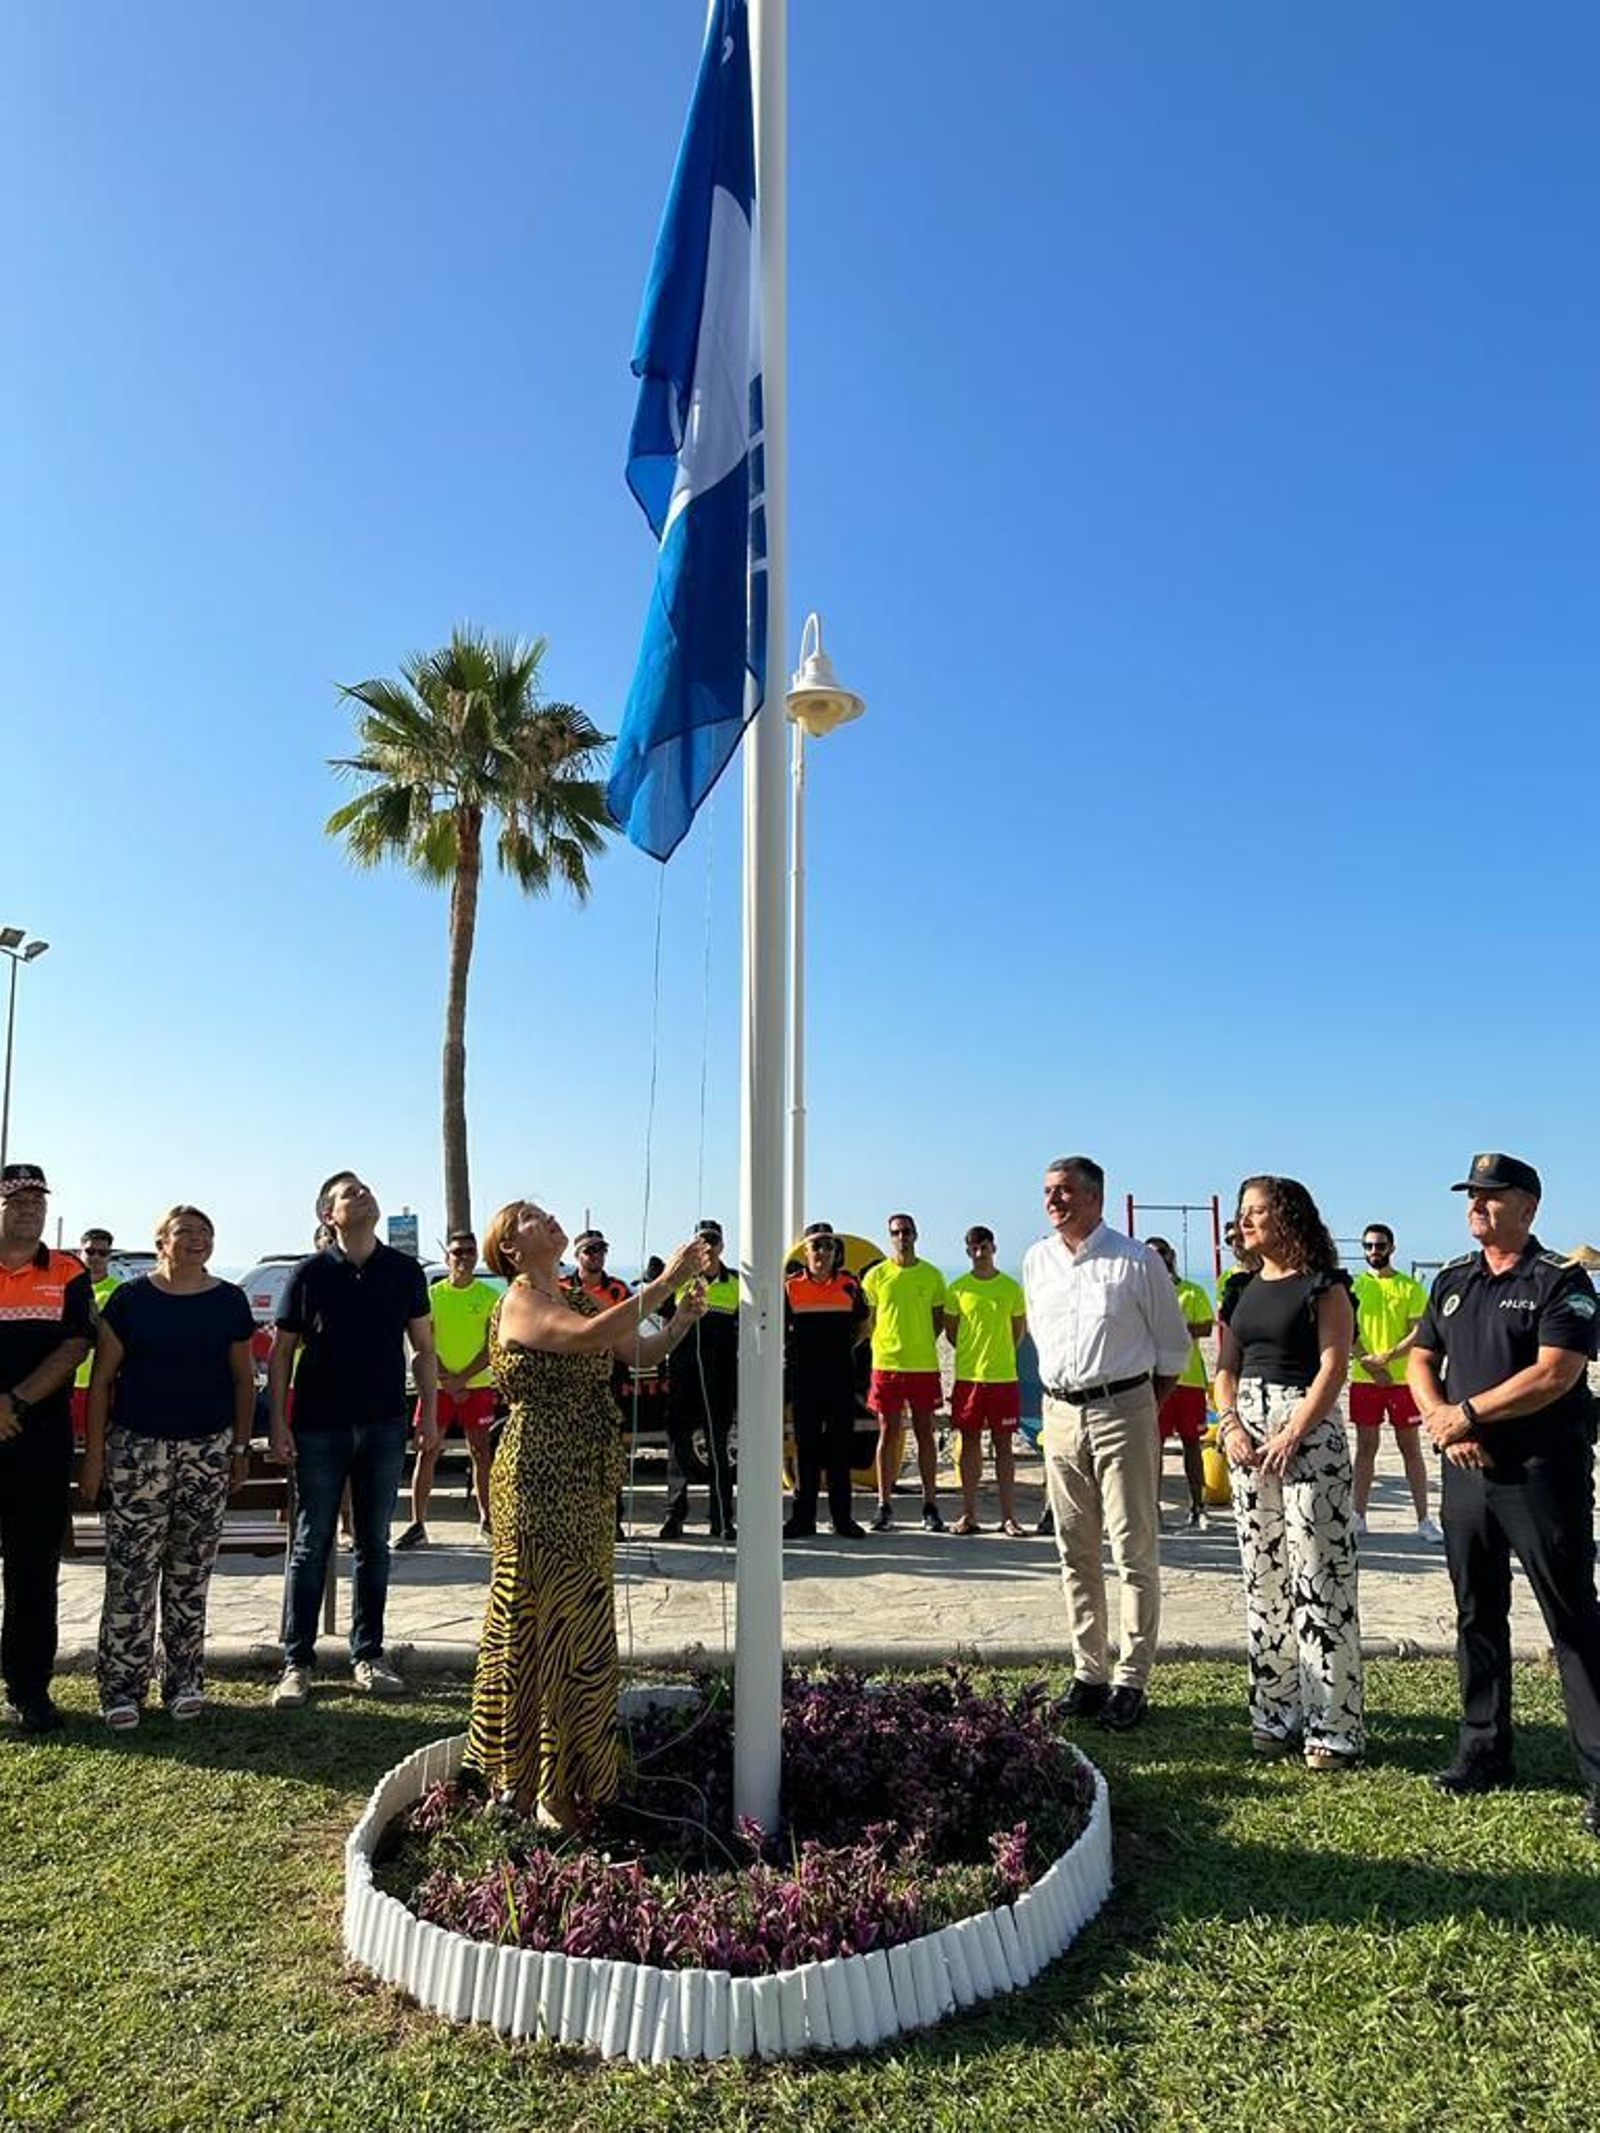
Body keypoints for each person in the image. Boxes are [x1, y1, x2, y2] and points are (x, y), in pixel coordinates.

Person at [464, 1200, 707, 1826]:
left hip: (587, 1484)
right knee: (536, 1633)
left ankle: (563, 1784)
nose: (547, 1218)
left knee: (579, 1637)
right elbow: (587, 1340)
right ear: (511, 1250)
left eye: (546, 1210)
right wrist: (664, 1282)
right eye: (529, 1217)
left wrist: (680, 1318)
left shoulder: (575, 1296)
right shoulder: (520, 1301)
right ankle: (524, 1787)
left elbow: (637, 1351)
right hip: (538, 1485)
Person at [1407, 1153, 1600, 1828]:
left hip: (1541, 1475)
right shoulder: (1454, 1278)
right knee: (1475, 1614)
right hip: (1466, 1473)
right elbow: (1421, 1357)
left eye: (1492, 1196)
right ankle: (1484, 1750)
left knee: (1572, 1619)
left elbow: (1556, 1372)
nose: (1476, 1205)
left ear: (1529, 1206)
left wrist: (1470, 1412)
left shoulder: (1561, 1281)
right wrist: (1442, 1418)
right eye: (1472, 1195)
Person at [1022, 1156, 1191, 1732]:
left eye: (1065, 1191)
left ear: (1096, 1198)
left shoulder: (1136, 1261)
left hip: (1124, 1409)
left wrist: (1136, 1407)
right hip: (1060, 1416)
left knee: (1133, 1550)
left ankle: (1131, 1679)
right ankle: (1089, 1672)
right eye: (1048, 1191)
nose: (1053, 1201)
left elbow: (1172, 1351)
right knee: (1075, 1550)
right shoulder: (1037, 1261)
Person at [267, 1171, 438, 1707]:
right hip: (319, 1426)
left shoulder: (406, 1272)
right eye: (349, 1193)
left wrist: (429, 1412)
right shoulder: (307, 1274)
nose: (363, 1194)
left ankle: (369, 1655)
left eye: (366, 1188)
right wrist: (277, 1421)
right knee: (311, 1543)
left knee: (374, 1546)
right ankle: (297, 1662)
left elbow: (424, 1349)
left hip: (386, 1424)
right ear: (328, 1216)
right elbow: (280, 1356)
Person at [79, 1206, 254, 1727]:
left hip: (207, 1452)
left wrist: (240, 1450)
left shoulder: (229, 1301)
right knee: (131, 1575)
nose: (197, 1240)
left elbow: (244, 1380)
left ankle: (183, 1681)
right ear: (161, 1242)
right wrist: (94, 1458)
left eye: (206, 1232)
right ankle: (121, 1688)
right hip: (137, 1453)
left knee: (189, 1574)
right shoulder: (131, 1301)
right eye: (185, 1232)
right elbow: (102, 1383)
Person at [1214, 1175, 1363, 1770]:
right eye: (1243, 1213)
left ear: (1289, 1218)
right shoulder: (1238, 1287)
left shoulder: (1325, 1287)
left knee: (1320, 1577)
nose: (1245, 1222)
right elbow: (1226, 1365)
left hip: (1307, 1432)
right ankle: (1274, 1713)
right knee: (1264, 1579)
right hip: (1247, 1431)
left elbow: (1334, 1368)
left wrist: (1293, 1432)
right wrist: (1229, 1425)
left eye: (1257, 1212)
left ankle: (1334, 1724)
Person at [0, 1164, 95, 1734]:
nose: (29, 1208)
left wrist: (14, 1401)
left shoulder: (68, 1271)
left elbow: (76, 1344)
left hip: (38, 1443)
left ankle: (28, 1689)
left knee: (33, 1574)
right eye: (17, 1199)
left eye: (37, 1200)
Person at [396, 1229, 498, 1549]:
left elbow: (492, 1347)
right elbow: (422, 1342)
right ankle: (417, 1524)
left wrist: (463, 1379)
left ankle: (487, 1519)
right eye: (458, 1252)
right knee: (428, 1451)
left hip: (477, 1387)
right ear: (447, 1257)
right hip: (436, 1389)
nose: (464, 1257)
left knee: (482, 1453)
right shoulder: (433, 1296)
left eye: (470, 1251)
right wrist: (447, 1380)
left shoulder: (490, 1297)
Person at [1350, 1223, 1442, 1543]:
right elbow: (1347, 1330)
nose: (1374, 1251)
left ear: (1392, 1247)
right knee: (1365, 1448)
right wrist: (1370, 1364)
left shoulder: (1410, 1287)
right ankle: (1358, 1516)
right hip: (1364, 1379)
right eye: (1369, 1246)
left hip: (1403, 1380)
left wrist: (1387, 1358)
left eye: (1379, 1245)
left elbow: (1419, 1331)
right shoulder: (1355, 1286)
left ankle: (1423, 1520)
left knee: (1410, 1449)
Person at [862, 1215, 947, 1532]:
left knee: (925, 1431)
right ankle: (884, 1505)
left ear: (916, 1234)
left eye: (907, 1231)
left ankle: (930, 1505)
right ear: (890, 1237)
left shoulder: (932, 1275)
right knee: (889, 1431)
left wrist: (918, 1342)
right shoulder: (876, 1276)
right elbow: (870, 1320)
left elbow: (938, 1321)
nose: (902, 1237)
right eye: (896, 1233)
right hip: (887, 1365)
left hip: (923, 1365)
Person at [783, 1224, 869, 1539]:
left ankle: (842, 1518)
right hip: (805, 1379)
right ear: (805, 1252)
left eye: (828, 1247)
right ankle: (802, 1519)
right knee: (807, 1450)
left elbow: (863, 1324)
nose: (822, 1253)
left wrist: (845, 1349)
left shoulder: (850, 1285)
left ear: (835, 1253)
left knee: (839, 1451)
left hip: (840, 1379)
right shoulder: (790, 1287)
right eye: (815, 1247)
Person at [942, 1226, 1028, 1536]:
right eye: (974, 1248)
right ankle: (968, 1514)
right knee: (969, 1443)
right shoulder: (957, 1289)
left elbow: (1018, 1332)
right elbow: (951, 1333)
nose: (980, 1253)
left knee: (1004, 1446)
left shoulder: (1010, 1288)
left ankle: (1009, 1517)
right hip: (969, 1378)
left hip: (1003, 1377)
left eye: (985, 1247)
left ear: (994, 1248)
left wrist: (999, 1356)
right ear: (968, 1251)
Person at [660, 1219, 740, 1542]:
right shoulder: (680, 1281)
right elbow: (658, 1315)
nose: (708, 1247)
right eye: (701, 1241)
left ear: (722, 1246)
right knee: (678, 1449)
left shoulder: (737, 1282)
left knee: (719, 1451)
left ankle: (722, 1520)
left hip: (720, 1379)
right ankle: (673, 1517)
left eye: (713, 1241)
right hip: (683, 1377)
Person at [1147, 1236, 1212, 1530]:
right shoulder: (1144, 1292)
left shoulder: (1192, 1291)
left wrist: (1172, 1327)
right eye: (1152, 1255)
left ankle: (1198, 1506)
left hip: (1189, 1379)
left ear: (1171, 1255)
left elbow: (1205, 1327)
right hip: (1152, 1379)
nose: (1158, 1259)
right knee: (1153, 1446)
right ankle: (1153, 1506)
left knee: (1192, 1443)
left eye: (1161, 1253)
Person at [70, 1228, 120, 1441]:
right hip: (63, 1380)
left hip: (99, 1382)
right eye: (90, 1252)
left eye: (103, 1253)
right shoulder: (68, 1288)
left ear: (110, 1256)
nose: (96, 1258)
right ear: (79, 1253)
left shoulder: (119, 1292)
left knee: (95, 1443)